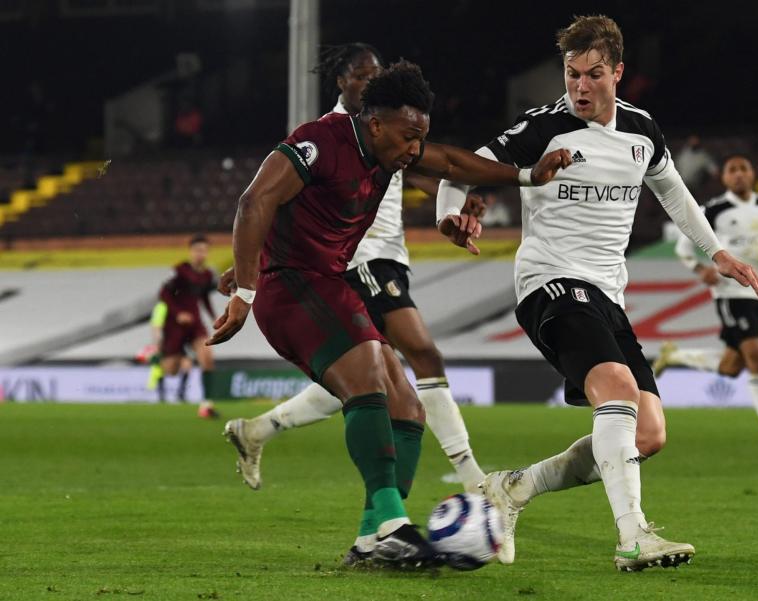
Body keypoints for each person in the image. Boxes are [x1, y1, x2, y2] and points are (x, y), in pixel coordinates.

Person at [206, 60, 571, 568]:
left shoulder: (387, 155)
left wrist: (528, 176)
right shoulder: (323, 141)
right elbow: (255, 201)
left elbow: (451, 164)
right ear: (375, 123)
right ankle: (394, 525)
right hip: (289, 287)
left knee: (408, 406)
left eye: (419, 137)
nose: (414, 149)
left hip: (328, 284)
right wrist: (244, 288)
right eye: (407, 137)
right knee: (369, 380)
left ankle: (370, 541)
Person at [435, 15, 758, 572]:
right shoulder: (543, 128)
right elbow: (459, 170)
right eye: (571, 75)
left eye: (593, 75)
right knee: (615, 388)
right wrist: (451, 213)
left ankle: (513, 488)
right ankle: (633, 536)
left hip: (605, 293)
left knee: (649, 432)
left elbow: (675, 194)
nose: (580, 88)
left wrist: (719, 254)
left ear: (618, 71)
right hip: (549, 282)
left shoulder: (642, 131)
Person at [222, 43, 485, 518]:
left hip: (390, 257)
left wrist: (457, 204)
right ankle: (468, 480)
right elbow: (275, 204)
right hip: (357, 263)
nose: (369, 80)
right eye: (361, 74)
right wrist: (252, 270)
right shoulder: (331, 136)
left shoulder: (395, 132)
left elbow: (436, 176)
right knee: (417, 355)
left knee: (371, 375)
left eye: (376, 74)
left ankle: (261, 430)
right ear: (342, 81)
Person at [654, 155, 758, 454]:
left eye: (743, 169)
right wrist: (701, 270)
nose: (738, 175)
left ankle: (674, 357)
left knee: (731, 367)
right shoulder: (714, 209)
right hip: (731, 293)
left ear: (752, 174)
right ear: (724, 178)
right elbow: (683, 246)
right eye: (732, 170)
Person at [155, 234, 219, 418]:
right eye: (198, 250)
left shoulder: (207, 275)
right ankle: (158, 357)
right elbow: (163, 294)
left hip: (195, 323)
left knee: (207, 356)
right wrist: (178, 314)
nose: (201, 254)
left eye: (205, 250)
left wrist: (214, 316)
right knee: (172, 370)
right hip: (174, 326)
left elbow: (204, 297)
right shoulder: (179, 270)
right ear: (191, 252)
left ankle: (206, 405)